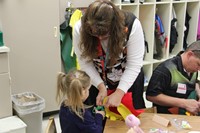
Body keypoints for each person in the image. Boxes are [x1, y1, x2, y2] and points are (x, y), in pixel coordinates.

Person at [73, 0, 145, 110]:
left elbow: (134, 65)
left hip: (128, 79)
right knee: (100, 119)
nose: (100, 38)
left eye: (105, 35)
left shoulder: (131, 25)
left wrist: (120, 92)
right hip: (96, 79)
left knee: (130, 119)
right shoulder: (80, 28)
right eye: (95, 34)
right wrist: (101, 86)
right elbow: (85, 63)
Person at [146, 41, 200, 115]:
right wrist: (184, 103)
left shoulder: (193, 69)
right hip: (166, 118)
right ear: (190, 55)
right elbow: (151, 95)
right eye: (198, 64)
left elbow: (194, 82)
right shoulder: (166, 69)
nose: (199, 69)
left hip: (186, 118)